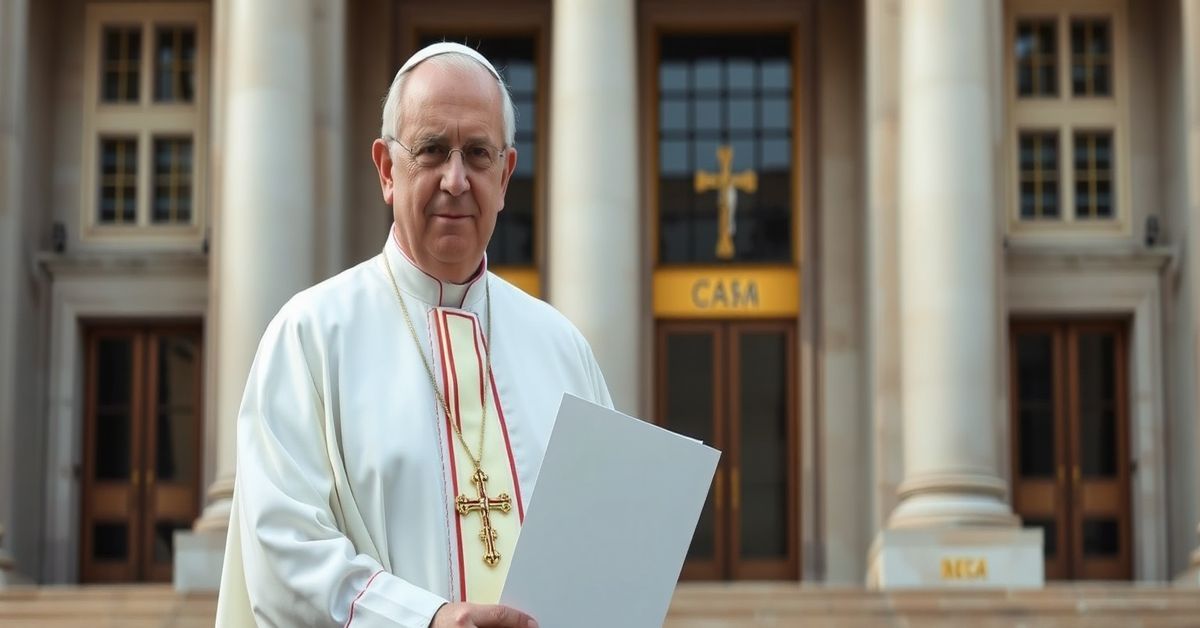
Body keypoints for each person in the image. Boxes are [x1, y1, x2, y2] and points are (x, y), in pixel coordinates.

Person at [215, 42, 612, 627]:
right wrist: (425, 620)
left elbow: (605, 540)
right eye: (431, 151)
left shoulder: (563, 349)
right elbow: (283, 552)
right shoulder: (310, 337)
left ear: (505, 177)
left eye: (478, 154)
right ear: (386, 170)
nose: (456, 180)